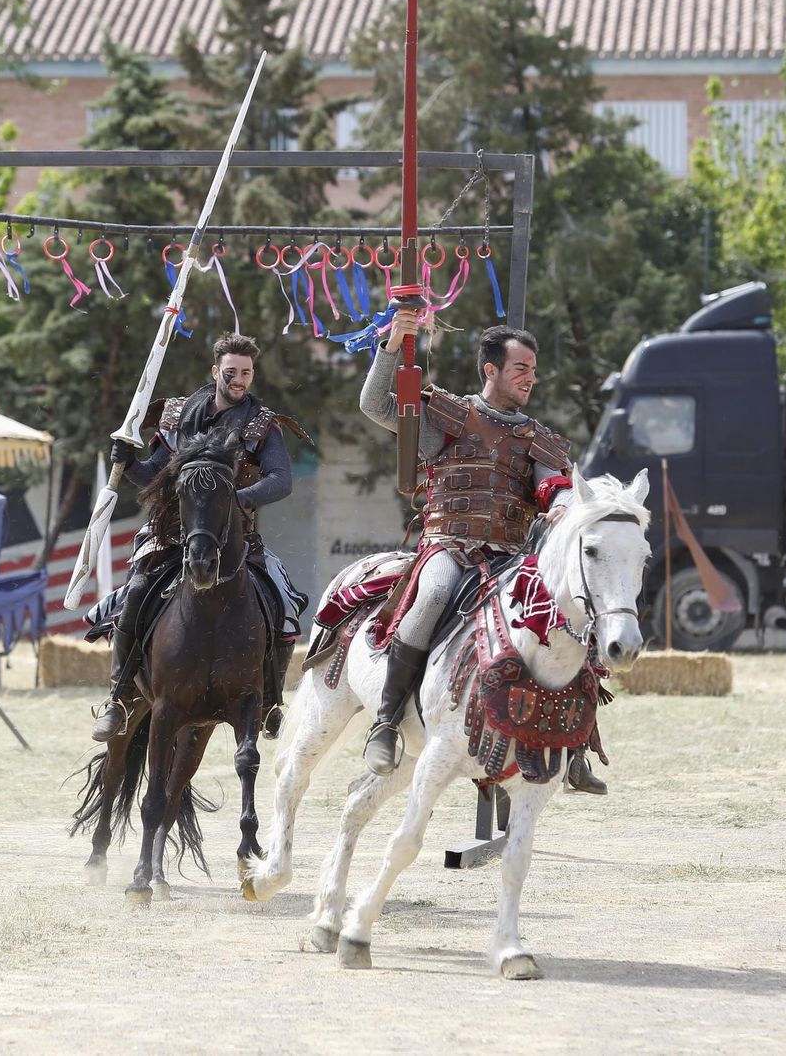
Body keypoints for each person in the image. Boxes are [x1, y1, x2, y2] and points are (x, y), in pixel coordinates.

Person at [357, 316, 606, 793]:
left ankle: (574, 743)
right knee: (431, 596)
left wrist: (563, 507)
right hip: (450, 545)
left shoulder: (539, 438)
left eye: (533, 368)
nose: (530, 376)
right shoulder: (448, 415)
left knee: (571, 617)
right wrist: (392, 344)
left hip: (510, 557)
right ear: (490, 371)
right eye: (520, 367)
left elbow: (553, 489)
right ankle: (386, 723)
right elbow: (374, 404)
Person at [90, 332, 309, 742]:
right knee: (135, 592)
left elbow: (281, 481)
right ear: (215, 371)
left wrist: (235, 498)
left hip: (235, 539)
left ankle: (270, 702)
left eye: (245, 372)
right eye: (231, 372)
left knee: (283, 602)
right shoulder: (175, 417)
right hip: (172, 533)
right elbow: (153, 475)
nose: (239, 380)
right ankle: (118, 699)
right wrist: (127, 461)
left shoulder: (261, 425)